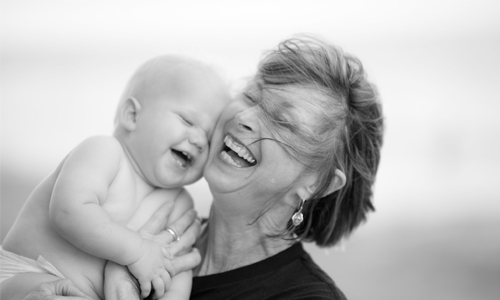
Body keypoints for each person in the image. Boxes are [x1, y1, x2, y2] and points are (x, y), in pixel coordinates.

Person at [14, 34, 384, 300]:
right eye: (252, 95)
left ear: (318, 183)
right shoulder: (154, 222)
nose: (247, 118)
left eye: (283, 122)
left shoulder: (303, 297)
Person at [0, 55, 231, 300]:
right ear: (132, 115)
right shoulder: (103, 152)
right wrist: (138, 250)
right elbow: (69, 212)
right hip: (28, 275)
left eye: (208, 138)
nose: (198, 141)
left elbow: (176, 265)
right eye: (187, 120)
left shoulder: (180, 203)